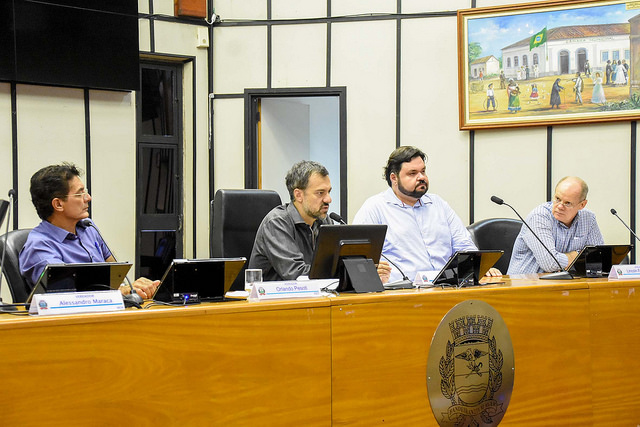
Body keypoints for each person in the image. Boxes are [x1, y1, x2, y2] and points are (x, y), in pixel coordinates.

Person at [353, 146, 500, 283]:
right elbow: (358, 260)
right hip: (401, 293)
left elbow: (463, 244)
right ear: (394, 178)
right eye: (412, 173)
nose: (421, 177)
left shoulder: (438, 205)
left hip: (446, 287)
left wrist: (480, 267)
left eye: (423, 171)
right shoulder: (375, 208)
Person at [19, 163, 159, 298]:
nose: (88, 198)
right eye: (80, 194)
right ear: (58, 204)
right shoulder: (39, 246)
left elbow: (117, 275)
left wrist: (135, 289)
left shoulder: (88, 227)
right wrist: (122, 292)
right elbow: (65, 294)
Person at [249, 160, 392, 282]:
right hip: (274, 307)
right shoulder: (276, 223)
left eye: (329, 191)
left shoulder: (323, 221)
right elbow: (297, 274)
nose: (328, 199)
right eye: (320, 193)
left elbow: (334, 266)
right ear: (298, 195)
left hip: (313, 301)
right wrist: (356, 273)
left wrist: (366, 270)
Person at [507, 176, 604, 275]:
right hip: (525, 284)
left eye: (567, 203)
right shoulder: (539, 217)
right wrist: (579, 255)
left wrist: (571, 258)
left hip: (565, 283)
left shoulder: (588, 218)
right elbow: (550, 263)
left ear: (582, 205)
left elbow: (599, 258)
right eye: (557, 199)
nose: (560, 206)